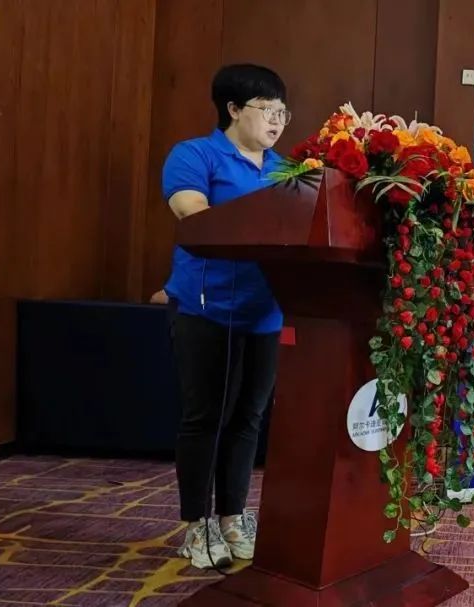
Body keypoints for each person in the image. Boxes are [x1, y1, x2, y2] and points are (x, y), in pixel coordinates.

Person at [161, 64, 290, 569]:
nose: (277, 120)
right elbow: (192, 213)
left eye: (283, 111)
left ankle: (233, 517)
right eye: (266, 109)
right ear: (233, 109)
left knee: (248, 418)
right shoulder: (195, 155)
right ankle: (197, 525)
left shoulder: (287, 170)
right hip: (205, 307)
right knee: (206, 417)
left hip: (265, 312)